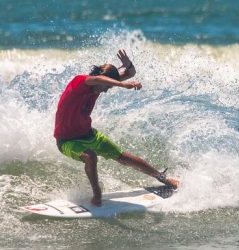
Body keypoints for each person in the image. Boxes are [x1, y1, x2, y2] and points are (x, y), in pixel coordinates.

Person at [54, 49, 180, 207]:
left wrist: (128, 65)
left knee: (123, 157)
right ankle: (97, 193)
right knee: (90, 156)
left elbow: (130, 73)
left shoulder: (100, 84)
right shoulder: (80, 81)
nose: (106, 90)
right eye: (107, 86)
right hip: (67, 141)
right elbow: (98, 78)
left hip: (89, 135)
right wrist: (121, 84)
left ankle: (163, 178)